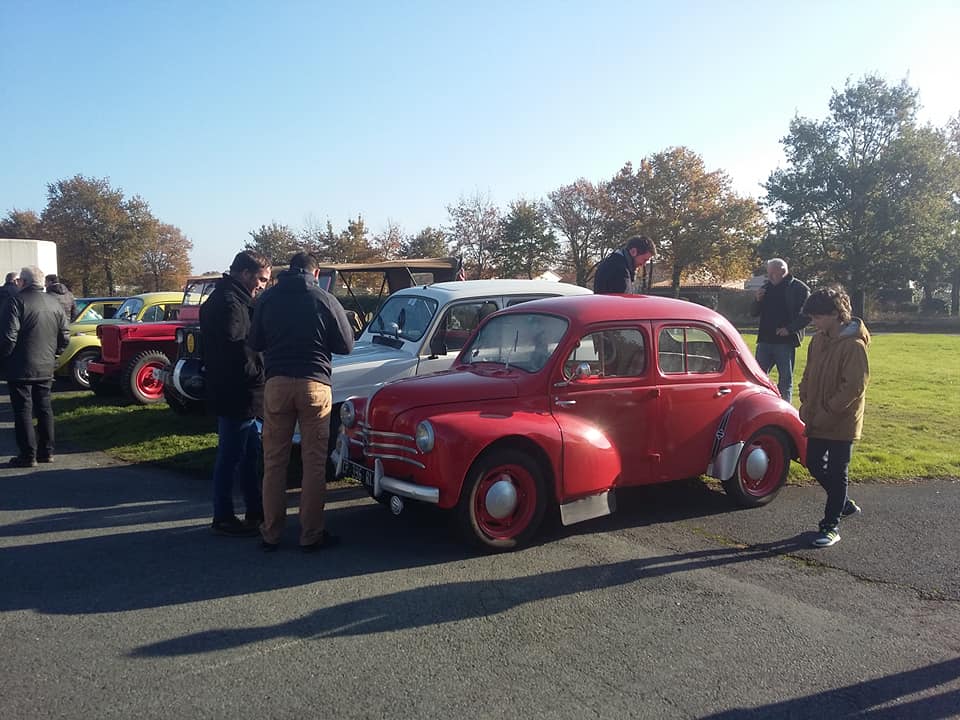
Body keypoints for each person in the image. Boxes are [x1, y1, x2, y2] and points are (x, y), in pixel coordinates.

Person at [248, 251, 355, 552]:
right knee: (313, 463)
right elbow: (346, 345)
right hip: (314, 383)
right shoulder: (324, 299)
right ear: (316, 272)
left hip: (277, 383)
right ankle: (311, 534)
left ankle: (271, 532)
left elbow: (254, 342)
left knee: (274, 462)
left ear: (286, 270)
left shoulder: (267, 299)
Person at [201, 250, 272, 537]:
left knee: (247, 453)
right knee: (232, 455)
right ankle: (224, 515)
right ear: (245, 273)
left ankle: (254, 510)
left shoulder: (222, 298)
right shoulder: (232, 305)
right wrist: (261, 374)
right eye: (261, 279)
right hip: (239, 392)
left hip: (230, 389)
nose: (263, 285)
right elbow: (239, 351)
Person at [798, 285, 870, 548]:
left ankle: (830, 526)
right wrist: (805, 401)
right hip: (816, 417)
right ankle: (844, 502)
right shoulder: (818, 340)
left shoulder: (853, 346)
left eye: (817, 317)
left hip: (841, 422)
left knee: (838, 471)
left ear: (834, 314)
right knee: (814, 463)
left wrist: (827, 412)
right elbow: (808, 374)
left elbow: (853, 386)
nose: (813, 322)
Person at [0, 266, 69, 466]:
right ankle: (46, 451)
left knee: (23, 410)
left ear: (24, 282)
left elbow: (9, 336)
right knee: (44, 408)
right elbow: (64, 335)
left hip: (20, 365)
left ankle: (28, 454)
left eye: (19, 280)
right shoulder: (54, 303)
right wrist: (53, 354)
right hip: (46, 364)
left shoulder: (16, 301)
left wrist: (4, 358)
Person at [751, 258, 810, 403]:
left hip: (785, 342)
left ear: (783, 271)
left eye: (772, 273)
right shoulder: (766, 288)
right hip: (765, 341)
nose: (769, 276)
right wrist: (757, 300)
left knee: (785, 382)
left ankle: (785, 412)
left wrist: (789, 329)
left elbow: (808, 315)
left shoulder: (799, 289)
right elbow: (753, 313)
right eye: (768, 273)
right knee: (757, 379)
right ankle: (761, 404)